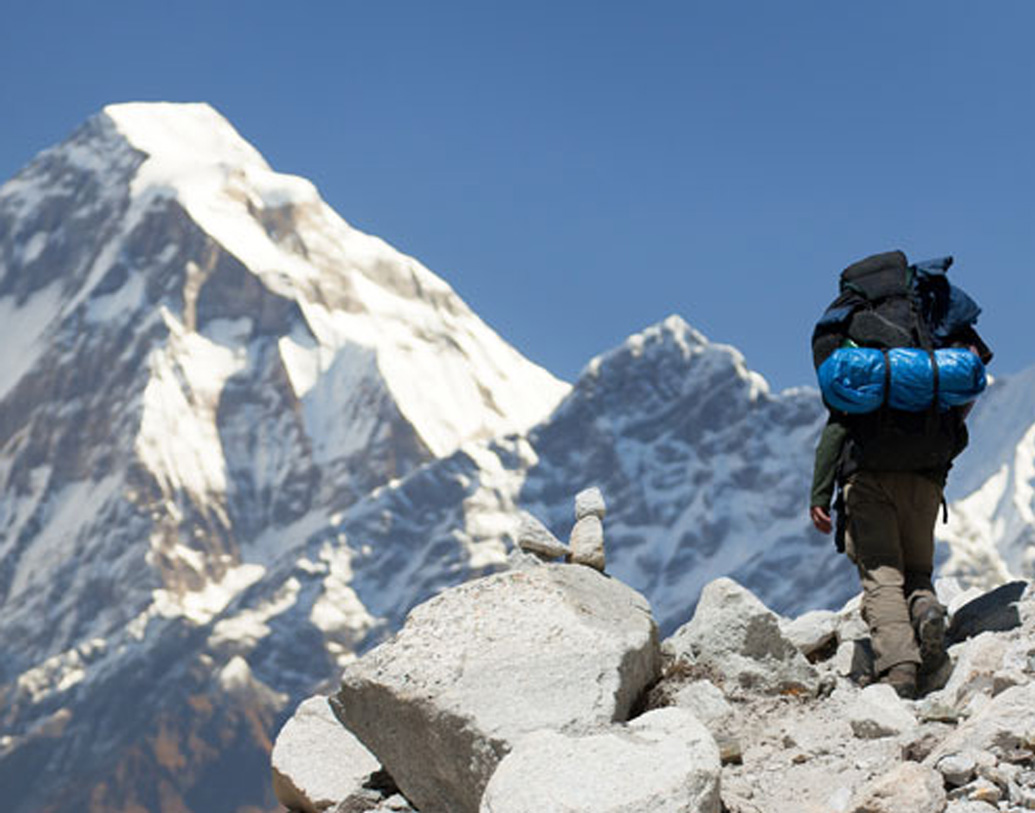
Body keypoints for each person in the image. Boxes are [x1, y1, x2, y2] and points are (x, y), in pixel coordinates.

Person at [808, 250, 992, 699]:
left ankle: (899, 672)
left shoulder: (861, 352)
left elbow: (838, 426)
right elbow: (960, 403)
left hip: (868, 479)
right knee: (917, 570)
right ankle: (926, 607)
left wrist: (820, 490)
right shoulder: (929, 337)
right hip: (925, 478)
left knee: (882, 575)